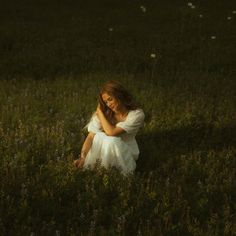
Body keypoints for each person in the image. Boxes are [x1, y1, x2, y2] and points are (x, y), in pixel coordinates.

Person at [73, 80, 145, 175]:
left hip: (126, 151)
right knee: (99, 136)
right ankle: (102, 170)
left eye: (110, 99)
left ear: (120, 95)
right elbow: (91, 137)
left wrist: (99, 111)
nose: (108, 104)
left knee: (111, 140)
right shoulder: (105, 114)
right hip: (103, 151)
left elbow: (112, 132)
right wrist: (83, 157)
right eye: (106, 102)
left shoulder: (136, 114)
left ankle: (117, 172)